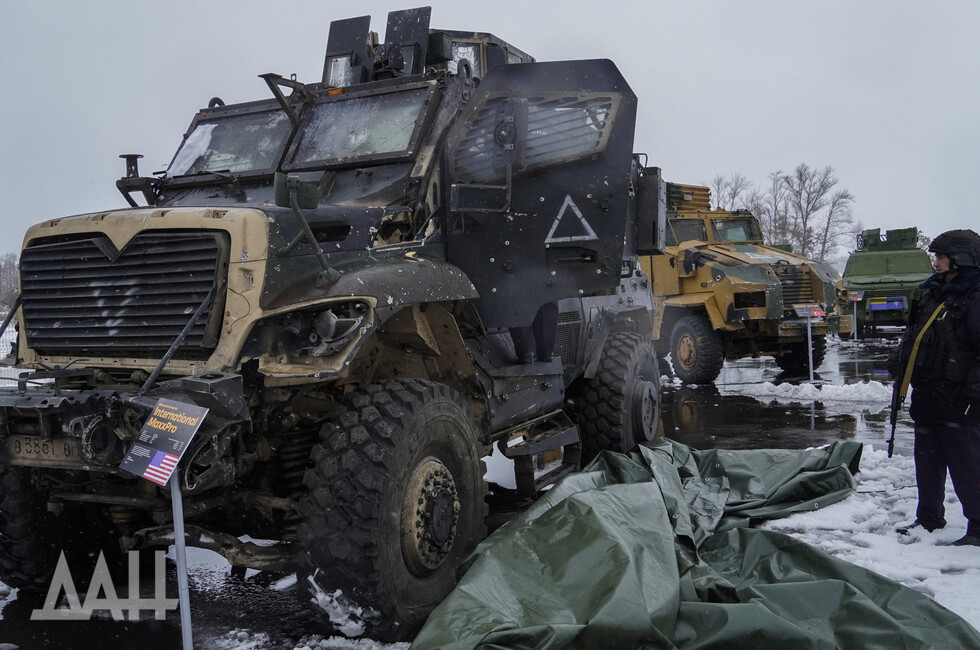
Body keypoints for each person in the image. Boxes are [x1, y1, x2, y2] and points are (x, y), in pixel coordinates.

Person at [891, 229, 980, 545]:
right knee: (927, 463)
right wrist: (898, 361)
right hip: (928, 394)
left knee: (968, 467)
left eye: (941, 257)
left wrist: (975, 396)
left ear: (961, 259)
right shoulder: (930, 293)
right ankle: (929, 518)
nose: (936, 262)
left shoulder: (975, 296)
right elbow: (914, 336)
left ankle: (978, 527)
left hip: (959, 399)